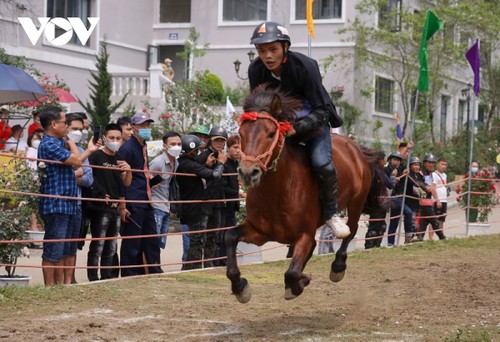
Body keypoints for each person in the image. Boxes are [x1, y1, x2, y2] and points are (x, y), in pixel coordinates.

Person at [247, 21, 349, 239]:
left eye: (273, 49)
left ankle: (332, 214)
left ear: (285, 47)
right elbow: (259, 109)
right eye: (261, 50)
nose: (267, 56)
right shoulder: (255, 70)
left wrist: (296, 128)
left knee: (322, 163)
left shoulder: (305, 66)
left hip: (314, 124)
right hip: (281, 129)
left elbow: (322, 110)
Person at [37, 106, 96, 285]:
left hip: (68, 202)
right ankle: (49, 287)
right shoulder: (49, 144)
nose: (67, 126)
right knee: (54, 247)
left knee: (64, 248)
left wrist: (90, 150)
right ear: (54, 124)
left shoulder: (57, 143)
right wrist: (70, 142)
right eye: (64, 123)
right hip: (57, 202)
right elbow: (77, 161)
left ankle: (60, 285)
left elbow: (76, 163)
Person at [118, 111, 163, 277]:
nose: (147, 128)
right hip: (133, 199)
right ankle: (129, 273)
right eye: (143, 125)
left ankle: (154, 270)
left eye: (149, 125)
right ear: (133, 127)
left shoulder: (143, 147)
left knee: (151, 239)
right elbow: (121, 179)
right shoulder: (127, 149)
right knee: (132, 240)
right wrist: (123, 205)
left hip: (146, 199)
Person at [86, 123, 132, 281]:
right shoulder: (96, 156)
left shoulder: (119, 158)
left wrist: (129, 170)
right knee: (98, 244)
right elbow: (88, 177)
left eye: (118, 138)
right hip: (100, 208)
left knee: (111, 246)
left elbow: (125, 183)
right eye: (112, 138)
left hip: (115, 207)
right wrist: (98, 194)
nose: (115, 141)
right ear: (104, 138)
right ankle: (93, 277)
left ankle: (107, 277)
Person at [177, 135, 225, 270]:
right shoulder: (189, 164)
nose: (198, 152)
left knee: (198, 240)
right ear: (191, 151)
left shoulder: (185, 163)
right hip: (194, 208)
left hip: (193, 206)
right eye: (197, 150)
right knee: (197, 240)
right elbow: (215, 175)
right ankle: (193, 269)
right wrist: (220, 163)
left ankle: (193, 268)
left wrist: (205, 166)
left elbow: (196, 175)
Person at [64, 113, 95, 284]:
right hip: (61, 202)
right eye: (74, 129)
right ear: (65, 127)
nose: (78, 132)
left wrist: (77, 175)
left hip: (77, 203)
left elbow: (89, 178)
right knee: (60, 243)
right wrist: (76, 172)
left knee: (73, 245)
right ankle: (59, 280)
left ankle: (70, 279)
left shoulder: (82, 151)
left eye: (80, 129)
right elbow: (59, 174)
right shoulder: (59, 148)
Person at [196, 125, 228, 267]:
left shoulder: (223, 156)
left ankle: (209, 264)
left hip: (218, 201)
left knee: (214, 236)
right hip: (205, 201)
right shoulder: (203, 156)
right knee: (201, 236)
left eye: (222, 140)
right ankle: (197, 265)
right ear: (210, 140)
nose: (219, 143)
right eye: (216, 140)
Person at [149, 131, 182, 250]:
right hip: (155, 205)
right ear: (164, 146)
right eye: (173, 144)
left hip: (166, 206)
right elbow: (146, 182)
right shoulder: (158, 163)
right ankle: (151, 267)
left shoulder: (176, 163)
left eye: (179, 144)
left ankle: (156, 265)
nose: (176, 147)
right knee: (153, 242)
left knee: (160, 243)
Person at [215, 134, 243, 266]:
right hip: (224, 206)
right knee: (222, 236)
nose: (238, 150)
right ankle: (219, 261)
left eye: (240, 147)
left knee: (230, 234)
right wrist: (239, 193)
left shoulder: (235, 163)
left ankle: (226, 260)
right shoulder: (224, 163)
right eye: (235, 147)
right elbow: (222, 187)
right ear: (228, 148)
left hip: (232, 206)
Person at [411, 154, 446, 241]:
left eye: (433, 163)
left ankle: (419, 237)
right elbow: (416, 182)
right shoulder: (420, 172)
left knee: (425, 221)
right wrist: (425, 187)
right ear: (425, 163)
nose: (431, 165)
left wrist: (436, 199)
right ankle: (442, 237)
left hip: (428, 200)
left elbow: (431, 187)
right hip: (420, 201)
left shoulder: (429, 174)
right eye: (429, 162)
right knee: (434, 220)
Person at [365, 151, 394, 249]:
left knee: (378, 226)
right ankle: (371, 247)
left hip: (373, 201)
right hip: (378, 202)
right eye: (383, 160)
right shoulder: (379, 171)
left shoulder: (369, 170)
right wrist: (394, 179)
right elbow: (390, 184)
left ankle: (374, 247)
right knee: (376, 226)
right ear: (379, 160)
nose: (384, 162)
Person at [386, 151, 416, 246]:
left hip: (401, 197)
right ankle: (408, 236)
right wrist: (394, 177)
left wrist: (404, 174)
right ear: (390, 160)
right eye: (394, 159)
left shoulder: (402, 168)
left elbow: (404, 182)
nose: (396, 162)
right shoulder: (386, 170)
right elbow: (388, 184)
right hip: (392, 197)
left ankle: (391, 243)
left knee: (394, 221)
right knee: (408, 212)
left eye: (398, 160)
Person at [432, 157, 449, 240]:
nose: (443, 166)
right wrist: (437, 200)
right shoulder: (434, 175)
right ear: (438, 164)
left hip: (444, 200)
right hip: (436, 201)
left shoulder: (445, 175)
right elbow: (433, 188)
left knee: (442, 220)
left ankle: (441, 237)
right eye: (442, 164)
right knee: (433, 220)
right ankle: (430, 238)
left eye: (445, 165)